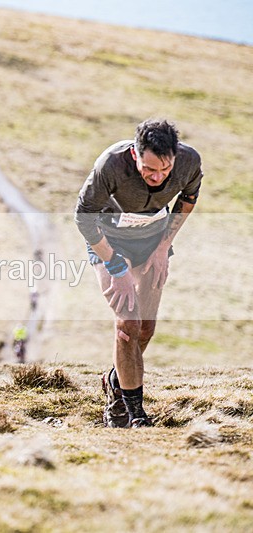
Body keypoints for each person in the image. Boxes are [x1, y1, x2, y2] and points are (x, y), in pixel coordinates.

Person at [74, 118, 202, 428]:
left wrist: (163, 248)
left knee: (145, 329)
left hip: (152, 242)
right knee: (127, 325)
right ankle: (131, 412)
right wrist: (116, 267)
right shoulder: (111, 165)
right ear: (135, 154)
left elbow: (187, 199)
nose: (157, 177)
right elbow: (83, 219)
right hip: (109, 243)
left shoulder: (189, 161)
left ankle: (116, 380)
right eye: (149, 169)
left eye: (164, 170)